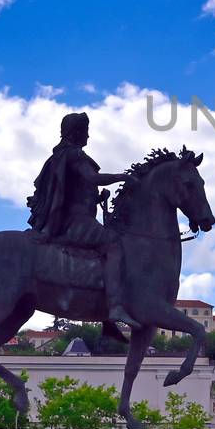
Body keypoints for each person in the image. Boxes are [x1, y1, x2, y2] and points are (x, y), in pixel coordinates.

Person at [28, 112, 136, 336]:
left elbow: (75, 191)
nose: (88, 135)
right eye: (86, 130)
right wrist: (122, 177)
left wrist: (97, 199)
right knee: (114, 243)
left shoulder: (60, 157)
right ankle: (115, 306)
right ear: (77, 132)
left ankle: (104, 315)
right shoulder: (74, 155)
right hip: (76, 222)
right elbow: (93, 178)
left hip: (70, 218)